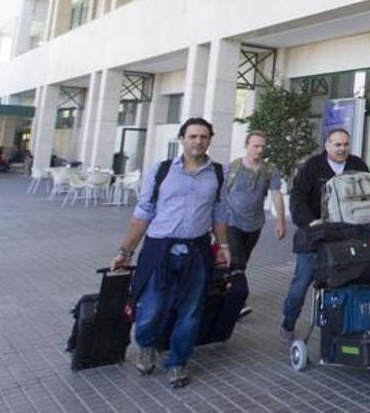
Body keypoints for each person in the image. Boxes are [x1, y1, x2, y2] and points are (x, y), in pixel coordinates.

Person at [108, 118, 230, 389]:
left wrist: (223, 248)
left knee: (191, 312)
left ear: (210, 139)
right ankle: (148, 345)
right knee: (152, 307)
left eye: (203, 136)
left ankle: (177, 362)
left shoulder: (218, 173)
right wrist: (125, 251)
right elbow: (143, 213)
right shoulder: (162, 170)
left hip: (197, 250)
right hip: (159, 248)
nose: (198, 141)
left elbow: (220, 213)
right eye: (192, 136)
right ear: (181, 139)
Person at [280, 127, 369, 340]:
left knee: (348, 283)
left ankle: (343, 325)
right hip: (314, 238)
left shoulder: (358, 166)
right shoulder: (312, 166)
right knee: (300, 285)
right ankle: (288, 322)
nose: (342, 149)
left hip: (347, 237)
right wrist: (312, 222)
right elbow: (297, 198)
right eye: (337, 144)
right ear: (327, 145)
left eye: (345, 144)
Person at [225, 131, 287, 315]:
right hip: (231, 221)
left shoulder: (270, 170)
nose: (259, 150)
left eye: (262, 147)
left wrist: (281, 222)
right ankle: (238, 301)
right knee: (236, 261)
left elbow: (276, 194)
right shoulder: (233, 168)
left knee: (241, 262)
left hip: (255, 224)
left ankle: (229, 291)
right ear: (247, 146)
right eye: (255, 146)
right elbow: (220, 194)